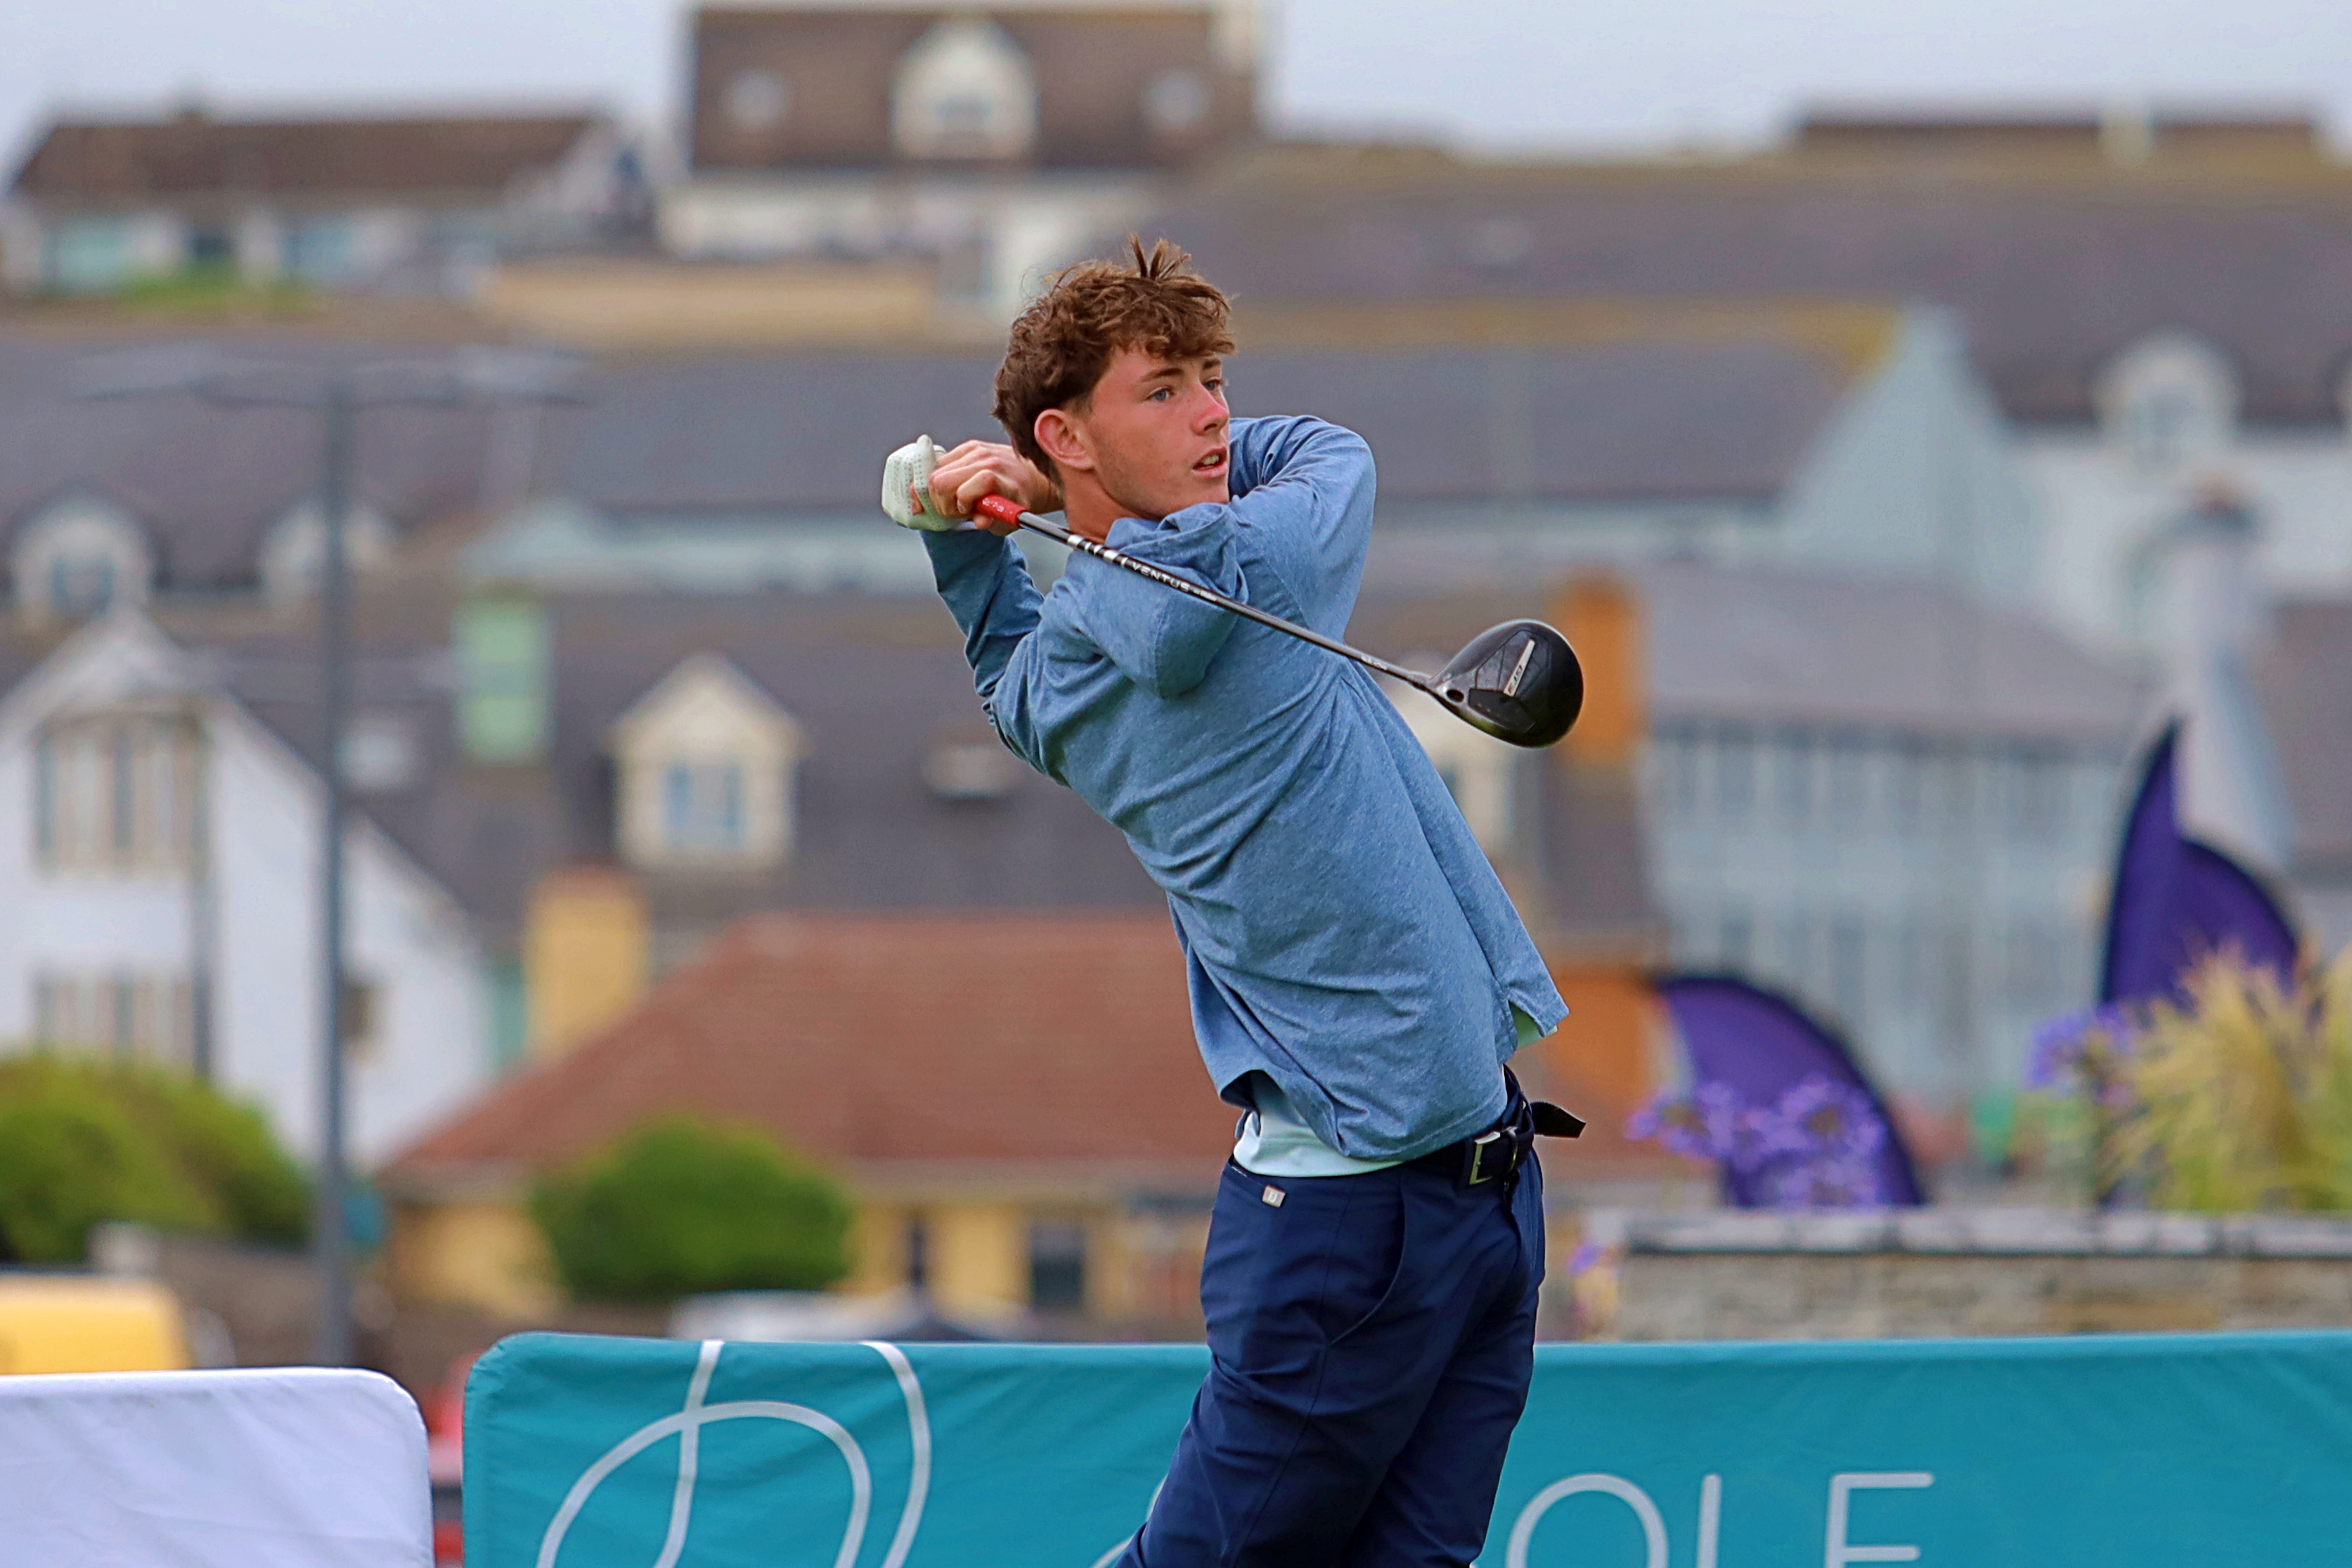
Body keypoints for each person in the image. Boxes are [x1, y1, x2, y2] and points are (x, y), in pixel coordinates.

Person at [883, 237, 1580, 1567]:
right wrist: (1048, 494)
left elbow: (1002, 660)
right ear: (1061, 433)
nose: (1211, 416)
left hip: (1456, 1186)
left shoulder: (1060, 695)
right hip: (1361, 1218)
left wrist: (971, 535)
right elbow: (1329, 449)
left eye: (1211, 382)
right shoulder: (1272, 566)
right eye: (1163, 390)